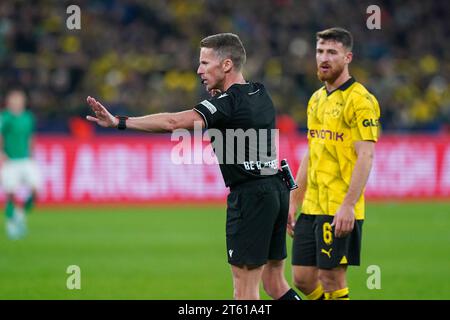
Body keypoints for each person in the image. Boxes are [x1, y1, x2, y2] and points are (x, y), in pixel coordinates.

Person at [86, 33, 301, 300]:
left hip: (250, 198)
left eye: (205, 62)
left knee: (244, 292)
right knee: (275, 283)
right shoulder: (260, 92)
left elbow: (173, 123)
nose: (198, 69)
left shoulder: (226, 103)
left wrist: (118, 121)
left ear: (226, 65)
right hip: (275, 189)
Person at [287, 28, 380, 300]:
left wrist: (349, 205)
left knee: (332, 278)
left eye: (332, 52)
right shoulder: (316, 99)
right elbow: (311, 152)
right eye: (319, 52)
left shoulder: (360, 101)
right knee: (302, 279)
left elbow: (366, 155)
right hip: (313, 205)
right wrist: (294, 200)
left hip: (339, 204)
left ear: (348, 57)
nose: (323, 58)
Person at [0, 89, 41, 239]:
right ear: (9, 102)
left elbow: (30, 136)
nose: (16, 102)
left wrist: (31, 153)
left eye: (19, 99)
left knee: (36, 190)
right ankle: (11, 224)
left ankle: (20, 213)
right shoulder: (5, 117)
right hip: (10, 161)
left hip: (25, 160)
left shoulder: (28, 117)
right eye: (14, 99)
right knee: (10, 194)